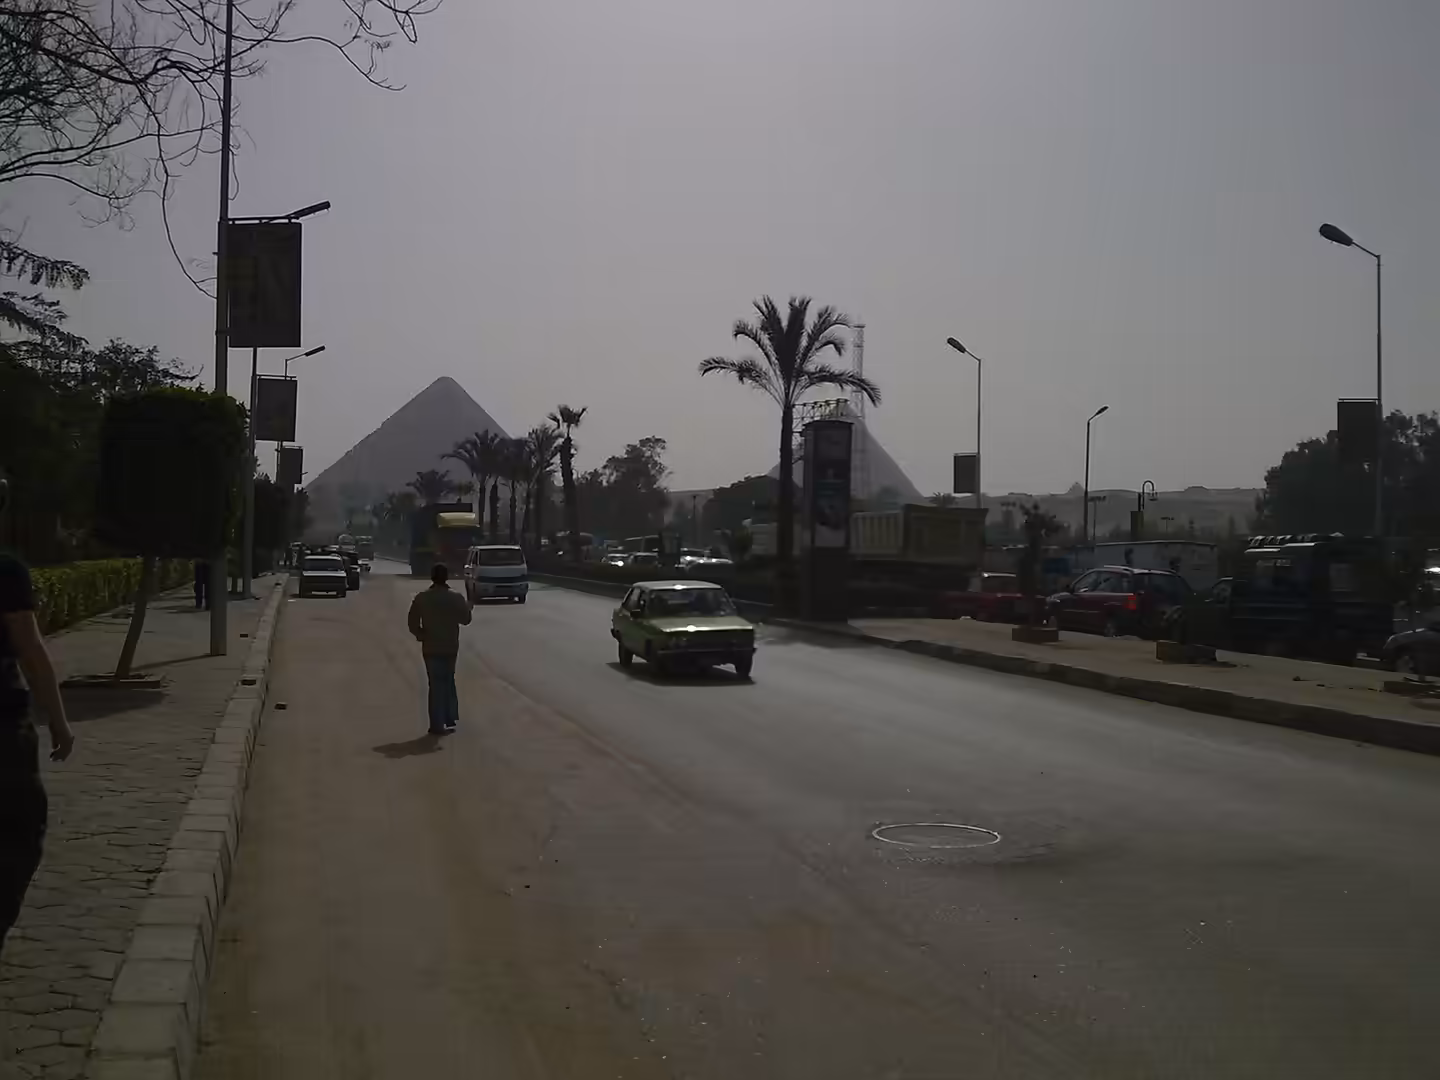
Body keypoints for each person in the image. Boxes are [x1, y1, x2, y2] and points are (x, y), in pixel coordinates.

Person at [0, 482, 75, 953]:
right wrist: (60, 723)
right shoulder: (6, 573)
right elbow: (30, 650)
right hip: (3, 731)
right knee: (20, 833)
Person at [406, 564, 472, 734]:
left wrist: (421, 635)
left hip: (430, 647)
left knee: (435, 684)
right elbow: (465, 620)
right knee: (448, 680)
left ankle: (438, 722)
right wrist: (469, 607)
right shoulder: (456, 598)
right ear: (446, 577)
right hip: (450, 647)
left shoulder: (422, 598)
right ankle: (446, 719)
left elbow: (412, 622)